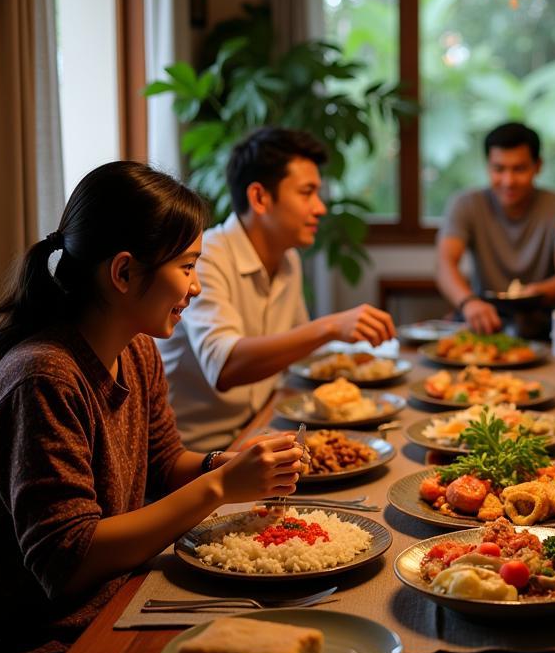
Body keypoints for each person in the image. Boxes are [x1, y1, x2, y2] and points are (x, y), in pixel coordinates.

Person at [0, 162, 303, 653]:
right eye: (187, 268)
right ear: (124, 272)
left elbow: (162, 463)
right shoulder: (43, 377)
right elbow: (67, 560)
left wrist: (224, 463)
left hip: (120, 598)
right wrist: (222, 489)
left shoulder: (138, 350)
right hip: (34, 647)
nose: (196, 287)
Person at [159, 127, 396, 453]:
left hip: (266, 428)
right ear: (259, 197)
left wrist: (370, 366)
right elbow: (224, 366)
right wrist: (331, 326)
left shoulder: (288, 259)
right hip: (201, 455)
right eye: (307, 192)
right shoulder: (208, 256)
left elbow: (300, 353)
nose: (320, 207)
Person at [436, 122, 555, 335]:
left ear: (538, 166)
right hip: (484, 317)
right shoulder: (465, 204)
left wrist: (533, 294)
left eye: (519, 169)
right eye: (499, 169)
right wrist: (468, 302)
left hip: (545, 319)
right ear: (488, 166)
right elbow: (444, 264)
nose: (508, 181)